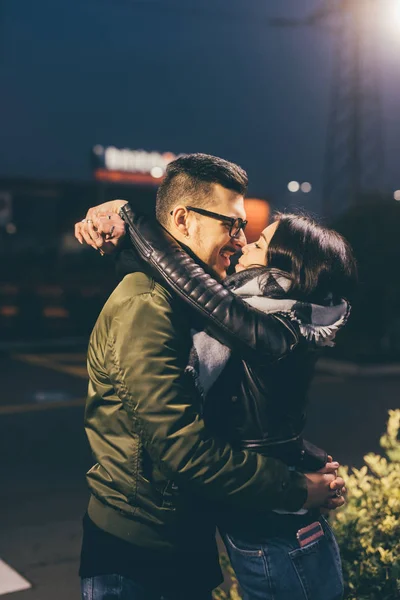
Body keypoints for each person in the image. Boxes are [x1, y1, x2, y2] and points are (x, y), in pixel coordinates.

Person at [75, 154, 346, 600]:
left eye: (247, 232)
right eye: (232, 225)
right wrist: (295, 487)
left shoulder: (216, 304)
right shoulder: (148, 306)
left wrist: (307, 461)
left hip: (184, 541)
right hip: (139, 556)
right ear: (183, 219)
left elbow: (243, 414)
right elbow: (182, 447)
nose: (241, 241)